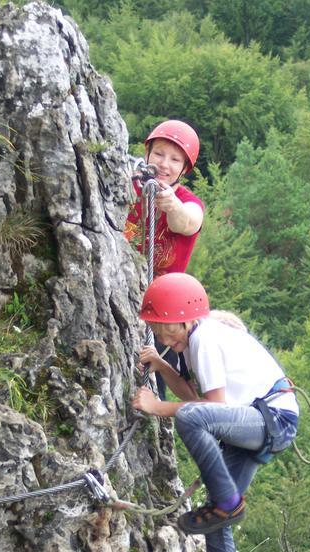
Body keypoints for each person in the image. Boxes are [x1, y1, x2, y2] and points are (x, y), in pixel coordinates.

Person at [131, 273, 299, 552]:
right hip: (255, 423)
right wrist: (162, 365)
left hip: (271, 419)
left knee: (191, 424)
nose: (161, 336)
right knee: (217, 523)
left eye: (165, 329)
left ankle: (227, 503)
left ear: (185, 319)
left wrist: (157, 407)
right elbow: (196, 396)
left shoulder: (204, 338)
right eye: (158, 331)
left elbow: (207, 411)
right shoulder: (191, 342)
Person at [125, 120, 205, 399]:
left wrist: (172, 206)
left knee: (157, 371)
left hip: (163, 309)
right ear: (146, 155)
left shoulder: (187, 201)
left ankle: (156, 415)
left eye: (174, 159)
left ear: (184, 169)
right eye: (158, 154)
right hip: (123, 289)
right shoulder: (127, 188)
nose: (164, 164)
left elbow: (189, 222)